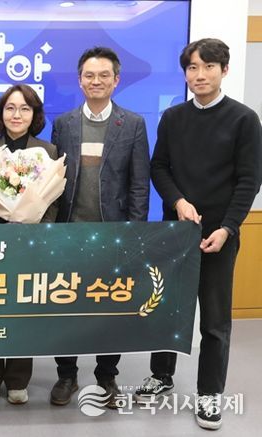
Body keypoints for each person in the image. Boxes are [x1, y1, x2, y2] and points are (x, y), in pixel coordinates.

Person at [134, 38, 261, 431]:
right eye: (192, 67)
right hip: (176, 231)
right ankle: (162, 374)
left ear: (224, 70)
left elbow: (249, 179)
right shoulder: (173, 118)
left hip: (219, 235)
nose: (199, 74)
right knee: (166, 308)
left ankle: (209, 394)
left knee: (215, 322)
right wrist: (178, 201)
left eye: (208, 66)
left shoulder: (244, 119)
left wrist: (228, 228)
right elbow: (159, 167)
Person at [49, 46, 150, 408]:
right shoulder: (64, 124)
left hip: (113, 233)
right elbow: (54, 181)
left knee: (110, 309)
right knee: (65, 307)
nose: (96, 81)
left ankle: (106, 376)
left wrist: (133, 232)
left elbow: (139, 184)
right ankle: (66, 375)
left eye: (104, 75)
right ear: (80, 81)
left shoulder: (133, 124)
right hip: (70, 232)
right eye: (89, 75)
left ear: (116, 80)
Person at [0, 84, 58, 404]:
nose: (17, 114)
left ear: (34, 114)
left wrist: (35, 224)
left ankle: (17, 379)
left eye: (25, 108)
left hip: (31, 241)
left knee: (24, 309)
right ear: (0, 114)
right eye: (10, 108)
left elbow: (54, 199)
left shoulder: (47, 151)